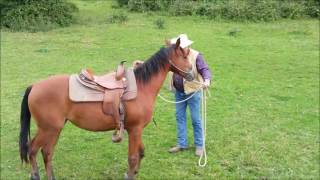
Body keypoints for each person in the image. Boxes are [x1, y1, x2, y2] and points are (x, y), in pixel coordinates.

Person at [168, 34, 212, 156]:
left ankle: (199, 145)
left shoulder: (196, 56)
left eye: (182, 47)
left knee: (196, 119)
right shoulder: (175, 55)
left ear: (188, 45)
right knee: (179, 117)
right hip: (179, 92)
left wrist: (207, 80)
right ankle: (182, 144)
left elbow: (205, 69)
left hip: (193, 92)